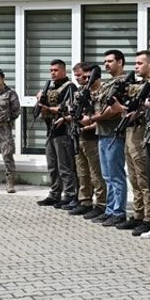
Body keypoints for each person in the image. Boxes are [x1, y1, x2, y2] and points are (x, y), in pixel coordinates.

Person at [85, 50, 130, 227]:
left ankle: (118, 211)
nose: (106, 65)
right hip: (103, 132)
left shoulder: (123, 82)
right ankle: (110, 209)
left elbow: (114, 110)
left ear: (120, 62)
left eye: (110, 61)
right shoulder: (106, 84)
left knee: (116, 175)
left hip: (114, 133)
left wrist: (94, 118)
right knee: (107, 175)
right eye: (105, 61)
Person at [121, 51, 150, 234]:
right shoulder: (138, 85)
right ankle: (138, 214)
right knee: (134, 177)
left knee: (144, 177)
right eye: (135, 63)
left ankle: (148, 217)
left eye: (140, 63)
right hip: (131, 133)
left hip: (144, 135)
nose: (136, 66)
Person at [35, 59, 75, 207]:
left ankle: (70, 194)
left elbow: (69, 109)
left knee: (65, 166)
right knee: (52, 166)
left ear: (64, 71)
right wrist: (39, 100)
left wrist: (49, 109)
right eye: (51, 70)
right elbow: (38, 110)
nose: (53, 73)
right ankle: (54, 193)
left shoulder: (70, 87)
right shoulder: (50, 87)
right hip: (50, 131)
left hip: (63, 132)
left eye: (56, 70)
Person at [71, 62, 108, 218]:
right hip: (80, 135)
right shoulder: (80, 92)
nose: (82, 79)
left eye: (85, 76)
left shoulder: (102, 90)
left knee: (96, 173)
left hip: (95, 136)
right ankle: (85, 201)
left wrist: (91, 124)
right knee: (82, 172)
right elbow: (74, 110)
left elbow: (103, 113)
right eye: (80, 76)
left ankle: (101, 204)